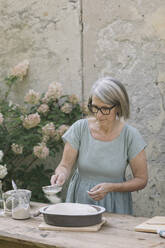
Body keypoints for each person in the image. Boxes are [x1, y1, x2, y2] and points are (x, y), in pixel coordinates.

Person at [51, 77, 148, 214]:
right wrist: (60, 174)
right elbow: (65, 165)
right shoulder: (80, 128)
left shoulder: (130, 136)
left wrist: (111, 187)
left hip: (114, 205)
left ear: (119, 107)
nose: (99, 115)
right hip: (80, 202)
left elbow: (141, 180)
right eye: (95, 107)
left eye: (105, 109)